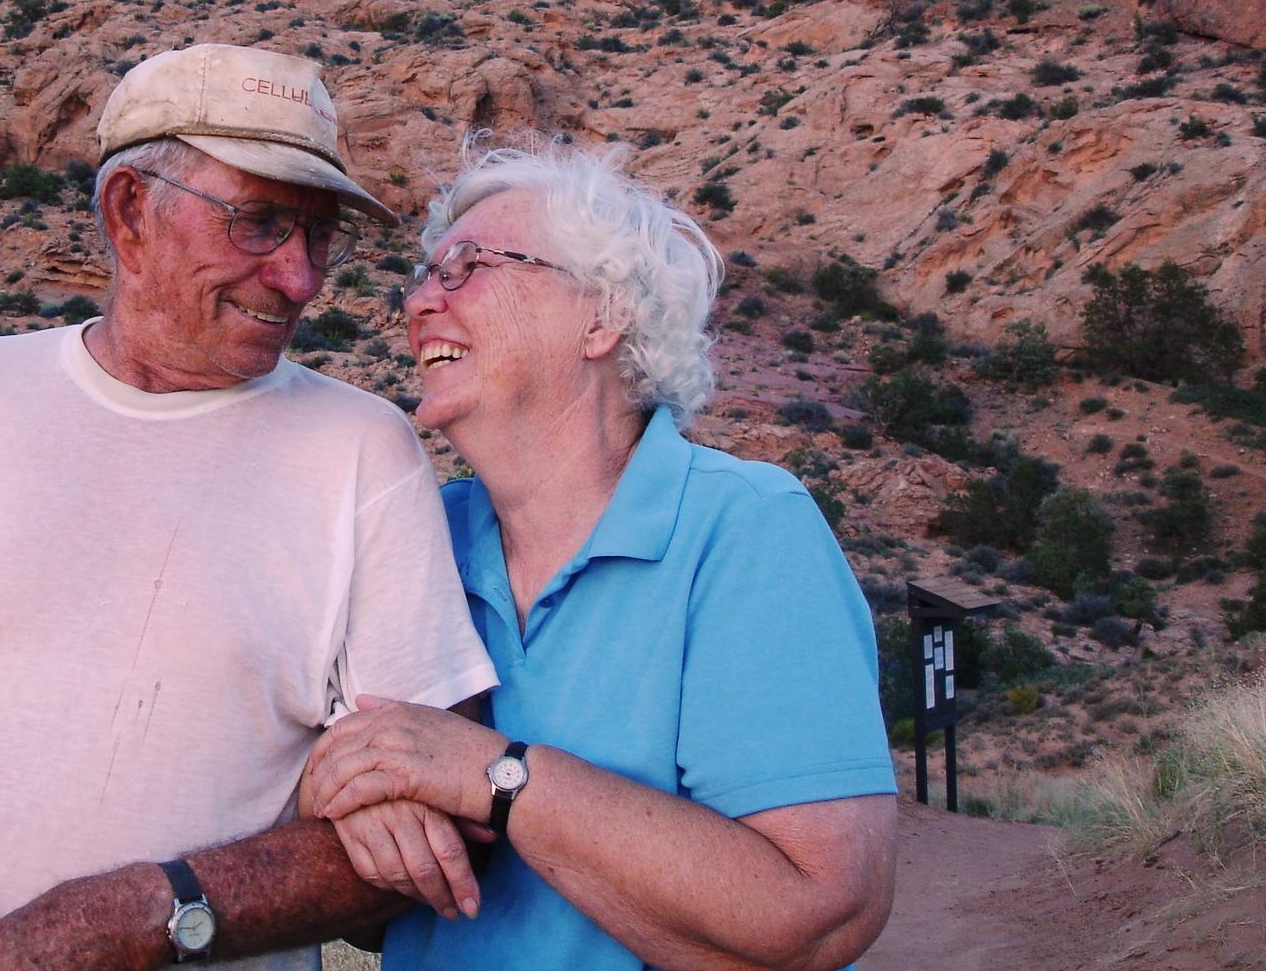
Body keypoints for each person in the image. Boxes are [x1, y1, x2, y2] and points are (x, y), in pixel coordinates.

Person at [0, 42, 497, 971]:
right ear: (130, 211)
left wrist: (150, 913)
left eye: (318, 236)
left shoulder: (361, 450)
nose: (301, 279)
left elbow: (429, 826)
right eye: (260, 222)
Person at [305, 134, 899, 971]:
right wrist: (354, 801)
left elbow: (820, 912)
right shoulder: (413, 536)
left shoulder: (743, 531)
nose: (420, 304)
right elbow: (374, 894)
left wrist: (491, 773)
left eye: (467, 265)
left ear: (604, 315)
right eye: (422, 275)